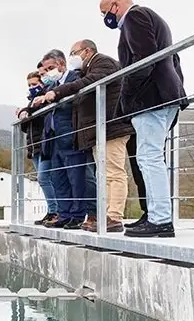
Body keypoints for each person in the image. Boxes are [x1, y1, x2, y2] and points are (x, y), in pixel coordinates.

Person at [99, 0, 188, 237]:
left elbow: (142, 61)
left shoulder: (135, 18)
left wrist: (126, 97)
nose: (107, 18)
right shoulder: (153, 19)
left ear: (116, 6)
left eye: (106, 12)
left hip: (151, 99)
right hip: (163, 96)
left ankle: (160, 220)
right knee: (149, 159)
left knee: (149, 158)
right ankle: (154, 214)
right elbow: (172, 61)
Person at [44, 40, 134, 232]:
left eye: (73, 53)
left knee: (114, 173)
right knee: (104, 175)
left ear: (87, 51)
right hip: (99, 130)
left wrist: (58, 91)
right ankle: (105, 216)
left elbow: (88, 83)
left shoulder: (103, 62)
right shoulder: (89, 68)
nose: (72, 58)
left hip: (112, 125)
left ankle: (114, 217)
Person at [31, 50, 94, 229]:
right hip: (53, 138)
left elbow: (75, 99)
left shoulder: (75, 77)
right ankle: (64, 214)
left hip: (70, 134)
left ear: (61, 64)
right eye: (46, 68)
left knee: (76, 177)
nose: (49, 72)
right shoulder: (52, 85)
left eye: (51, 67)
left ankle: (77, 215)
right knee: (59, 178)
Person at [17, 71, 59, 226]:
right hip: (33, 146)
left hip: (45, 144)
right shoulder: (30, 102)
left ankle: (55, 211)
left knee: (44, 178)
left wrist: (28, 111)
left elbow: (44, 118)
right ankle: (52, 210)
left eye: (34, 84)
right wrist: (23, 113)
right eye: (29, 85)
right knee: (45, 179)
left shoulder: (45, 98)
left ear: (42, 83)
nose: (32, 87)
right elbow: (25, 127)